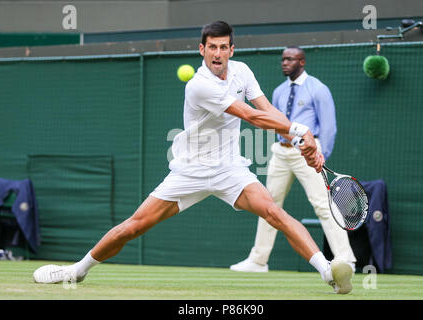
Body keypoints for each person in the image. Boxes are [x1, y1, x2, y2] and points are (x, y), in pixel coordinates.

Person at [32, 21, 353, 294]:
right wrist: (301, 131)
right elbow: (251, 117)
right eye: (211, 47)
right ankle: (78, 269)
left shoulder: (241, 71)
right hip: (190, 171)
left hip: (230, 169)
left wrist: (300, 140)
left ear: (231, 50)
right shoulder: (199, 86)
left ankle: (329, 272)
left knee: (273, 211)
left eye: (223, 47)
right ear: (202, 50)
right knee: (134, 227)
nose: (217, 53)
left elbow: (268, 110)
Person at [230, 47, 356, 273]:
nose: (285, 63)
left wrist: (320, 153)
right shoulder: (279, 91)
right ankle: (259, 261)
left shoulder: (318, 89)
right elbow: (273, 121)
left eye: (291, 59)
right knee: (267, 204)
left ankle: (346, 259)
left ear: (302, 62)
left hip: (308, 151)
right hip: (281, 150)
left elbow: (329, 126)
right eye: (283, 59)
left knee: (322, 204)